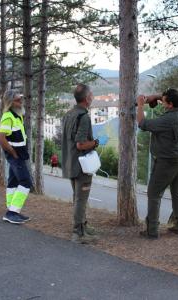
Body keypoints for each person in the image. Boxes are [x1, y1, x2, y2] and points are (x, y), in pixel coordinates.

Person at [136, 88, 178, 239]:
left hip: (167, 161)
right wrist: (156, 97)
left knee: (154, 193)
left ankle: (152, 230)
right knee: (177, 192)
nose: (162, 102)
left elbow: (142, 123)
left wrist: (141, 104)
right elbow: (169, 98)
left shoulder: (169, 120)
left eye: (164, 101)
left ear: (171, 104)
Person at [61, 83, 99, 243]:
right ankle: (78, 233)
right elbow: (81, 144)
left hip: (70, 162)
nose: (93, 97)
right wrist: (95, 142)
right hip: (82, 165)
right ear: (86, 98)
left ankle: (83, 225)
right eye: (91, 95)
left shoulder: (69, 114)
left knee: (78, 197)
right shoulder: (83, 117)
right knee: (81, 199)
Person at [0, 90, 32, 225]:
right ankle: (12, 213)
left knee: (13, 182)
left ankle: (11, 210)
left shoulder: (17, 116)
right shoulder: (8, 116)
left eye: (21, 99)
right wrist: (12, 152)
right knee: (26, 182)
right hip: (15, 155)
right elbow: (0, 138)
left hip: (19, 154)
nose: (20, 102)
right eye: (17, 100)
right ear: (10, 102)